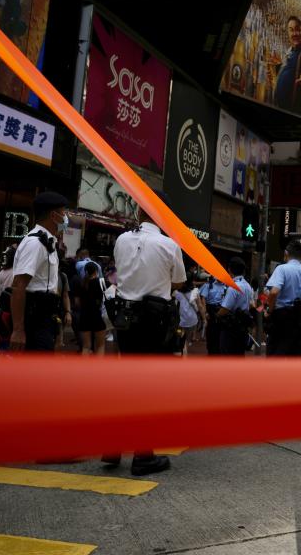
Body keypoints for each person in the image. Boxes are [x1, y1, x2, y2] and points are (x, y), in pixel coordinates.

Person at [106, 194, 186, 476]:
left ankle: (113, 446)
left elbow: (122, 272)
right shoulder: (169, 244)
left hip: (125, 318)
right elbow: (178, 280)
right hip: (154, 322)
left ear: (139, 211)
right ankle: (143, 455)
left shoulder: (121, 240)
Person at [10, 192, 68, 352]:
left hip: (45, 315)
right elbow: (18, 286)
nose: (65, 217)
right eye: (63, 213)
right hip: (33, 317)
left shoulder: (47, 242)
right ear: (53, 215)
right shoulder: (35, 243)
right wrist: (18, 329)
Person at [266, 239, 301, 356]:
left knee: (276, 351)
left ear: (286, 253)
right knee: (295, 352)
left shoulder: (282, 269)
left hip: (281, 316)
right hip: (300, 316)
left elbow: (274, 292)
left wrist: (269, 310)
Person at [273, 16, 301, 117]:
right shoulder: (288, 52)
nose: (294, 33)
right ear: (288, 33)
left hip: (295, 115)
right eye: (291, 30)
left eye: (297, 29)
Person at [216, 257, 254, 355]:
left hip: (230, 328)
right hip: (242, 328)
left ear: (229, 269)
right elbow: (251, 304)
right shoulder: (248, 286)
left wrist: (216, 315)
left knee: (227, 354)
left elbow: (225, 309)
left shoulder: (234, 287)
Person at [77, 262, 107, 356]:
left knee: (86, 347)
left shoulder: (81, 283)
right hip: (98, 316)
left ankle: (84, 370)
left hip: (84, 316)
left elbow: (77, 302)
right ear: (96, 271)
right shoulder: (101, 282)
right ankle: (98, 370)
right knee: (100, 346)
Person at [203, 273, 228, 355]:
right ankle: (211, 351)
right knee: (210, 332)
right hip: (210, 309)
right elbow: (203, 298)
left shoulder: (226, 286)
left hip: (221, 309)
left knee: (220, 332)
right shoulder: (209, 285)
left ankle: (218, 352)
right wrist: (205, 312)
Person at [174, 277, 200, 354]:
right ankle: (185, 351)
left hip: (180, 321)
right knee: (187, 340)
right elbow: (200, 306)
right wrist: (204, 318)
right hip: (191, 320)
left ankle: (180, 350)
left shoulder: (175, 293)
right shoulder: (195, 292)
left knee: (180, 338)